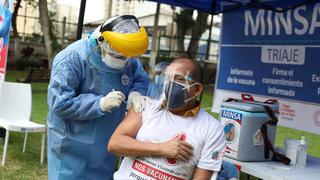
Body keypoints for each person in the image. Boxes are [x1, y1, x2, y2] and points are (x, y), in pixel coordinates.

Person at [47, 15, 149, 179]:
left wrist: (137, 92)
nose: (122, 60)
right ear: (102, 42)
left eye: (125, 57)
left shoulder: (129, 58)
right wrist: (99, 104)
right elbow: (59, 102)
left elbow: (140, 78)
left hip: (106, 143)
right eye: (118, 56)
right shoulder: (72, 58)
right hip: (70, 144)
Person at [108, 58, 226, 180]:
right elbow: (115, 144)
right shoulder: (145, 106)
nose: (170, 84)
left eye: (179, 79)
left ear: (196, 89)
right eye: (167, 78)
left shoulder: (212, 128)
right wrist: (161, 148)